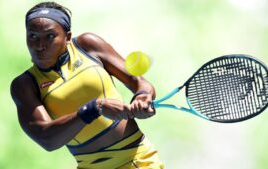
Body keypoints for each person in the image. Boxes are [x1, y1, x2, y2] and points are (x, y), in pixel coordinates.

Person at [10, 1, 164, 169]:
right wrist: (94, 108)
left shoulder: (87, 45)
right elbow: (46, 139)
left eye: (49, 36)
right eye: (32, 36)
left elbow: (140, 83)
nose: (40, 46)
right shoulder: (24, 85)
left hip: (140, 160)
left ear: (67, 37)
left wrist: (142, 98)